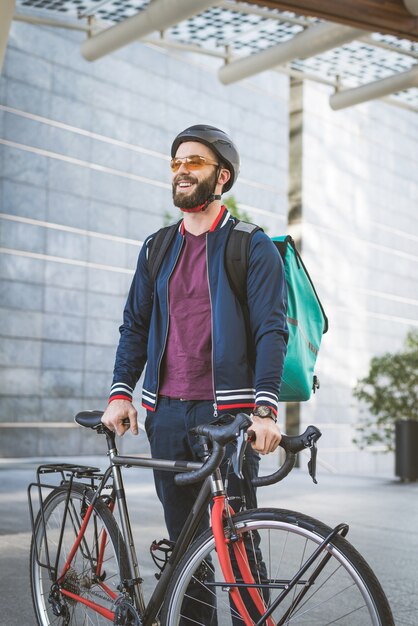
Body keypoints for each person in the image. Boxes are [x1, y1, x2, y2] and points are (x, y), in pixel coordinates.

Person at [101, 124, 288, 621]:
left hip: (226, 416)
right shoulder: (157, 247)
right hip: (164, 415)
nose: (182, 170)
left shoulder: (251, 245)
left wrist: (264, 410)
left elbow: (273, 330)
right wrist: (122, 393)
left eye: (195, 162)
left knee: (237, 546)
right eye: (176, 162)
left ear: (221, 177)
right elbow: (135, 325)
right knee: (187, 551)